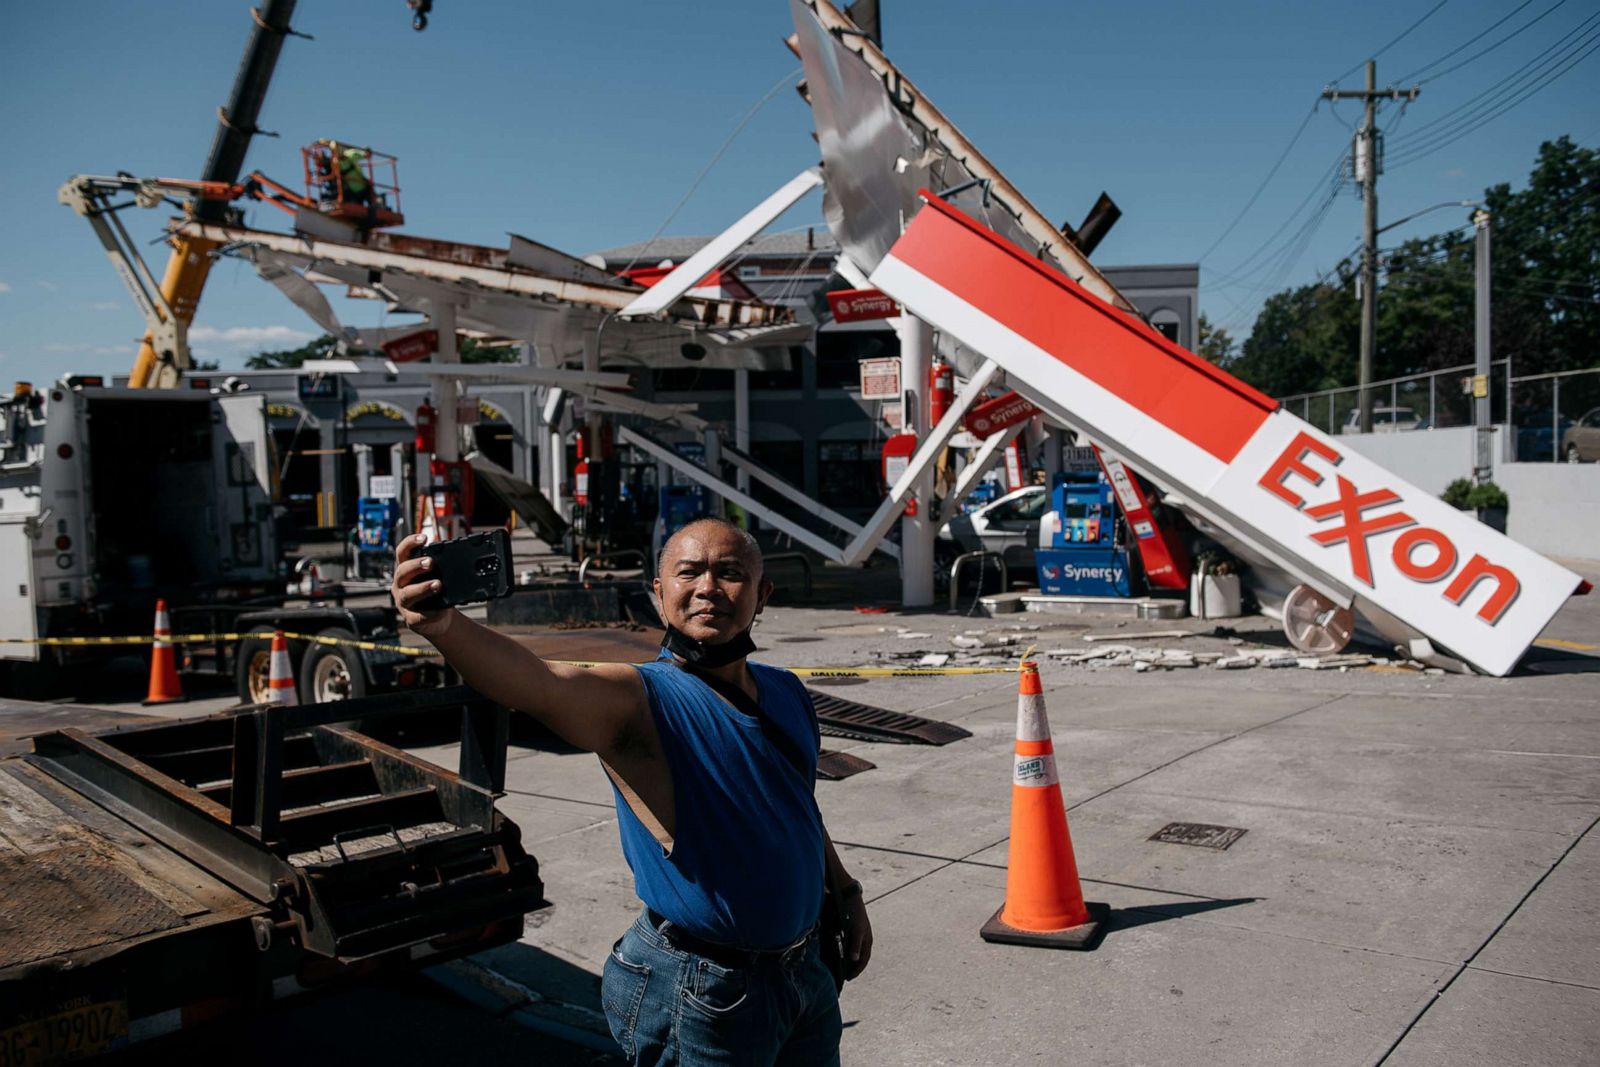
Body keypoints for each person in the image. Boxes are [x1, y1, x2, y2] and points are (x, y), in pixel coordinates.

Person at [390, 518, 871, 1065]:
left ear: (761, 596)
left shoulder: (786, 691)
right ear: (659, 593)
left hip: (804, 970)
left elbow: (798, 807)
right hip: (705, 991)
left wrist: (846, 891)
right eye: (689, 572)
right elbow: (539, 685)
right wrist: (443, 626)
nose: (709, 588)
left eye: (730, 573)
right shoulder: (639, 700)